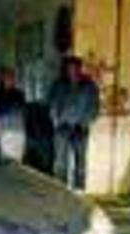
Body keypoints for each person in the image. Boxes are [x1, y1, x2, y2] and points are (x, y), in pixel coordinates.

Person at [48, 56, 100, 190]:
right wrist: (56, 122)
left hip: (80, 128)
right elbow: (52, 104)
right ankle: (60, 189)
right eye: (69, 68)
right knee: (60, 162)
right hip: (62, 127)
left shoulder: (89, 85)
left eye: (74, 68)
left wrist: (85, 122)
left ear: (79, 68)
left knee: (81, 162)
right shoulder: (59, 84)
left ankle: (79, 190)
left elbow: (94, 107)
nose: (71, 70)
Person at [0, 68, 27, 162]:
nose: (9, 80)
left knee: (17, 161)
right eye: (6, 78)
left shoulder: (19, 94)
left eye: (11, 78)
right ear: (3, 79)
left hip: (17, 131)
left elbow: (23, 113)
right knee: (6, 160)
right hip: (5, 132)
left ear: (14, 80)